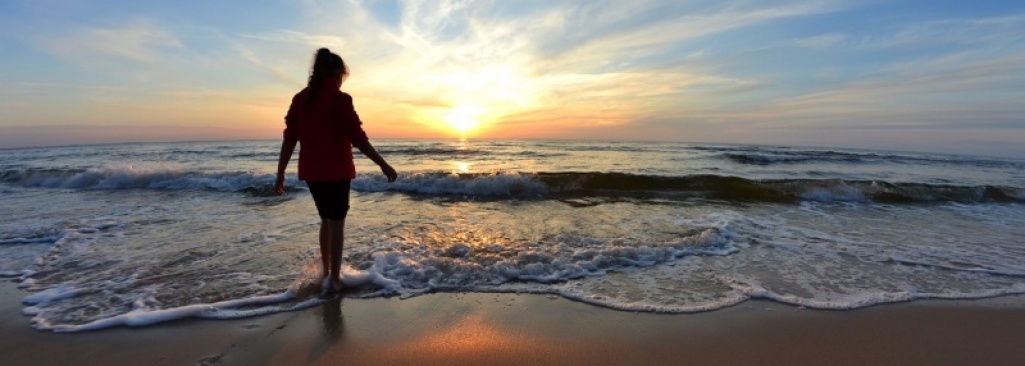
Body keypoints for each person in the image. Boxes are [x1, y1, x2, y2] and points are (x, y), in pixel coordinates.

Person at [275, 48, 397, 294]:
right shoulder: (341, 100)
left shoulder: (301, 99)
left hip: (311, 172)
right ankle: (335, 281)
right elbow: (358, 138)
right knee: (337, 224)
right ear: (337, 74)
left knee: (326, 220)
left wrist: (280, 173)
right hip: (337, 172)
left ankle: (328, 273)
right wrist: (382, 163)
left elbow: (289, 139)